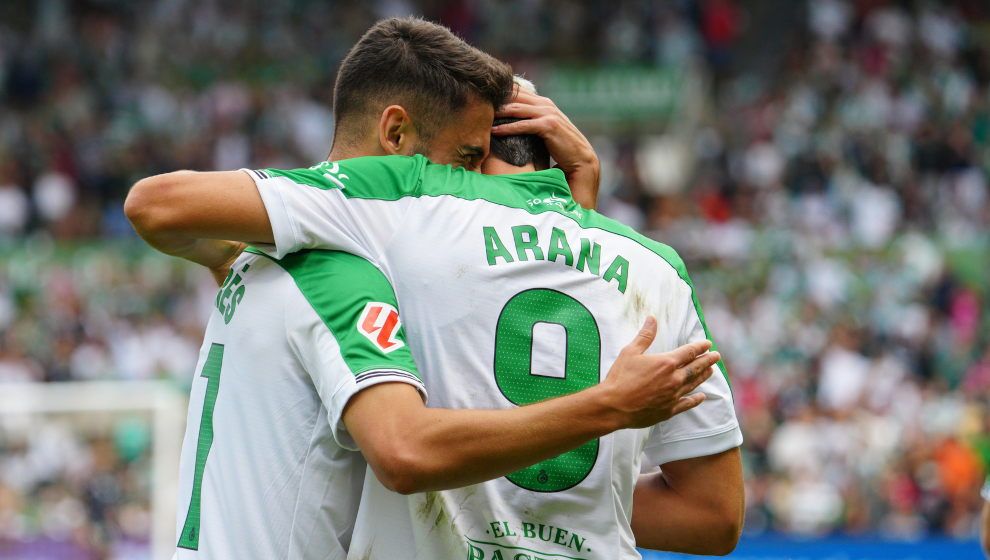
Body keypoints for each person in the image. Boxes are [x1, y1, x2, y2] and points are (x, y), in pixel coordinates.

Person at [126, 23, 744, 560]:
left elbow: (169, 217)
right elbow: (715, 517)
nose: (468, 183)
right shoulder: (345, 252)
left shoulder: (278, 258)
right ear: (395, 138)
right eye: (464, 158)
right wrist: (576, 216)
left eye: (481, 162)